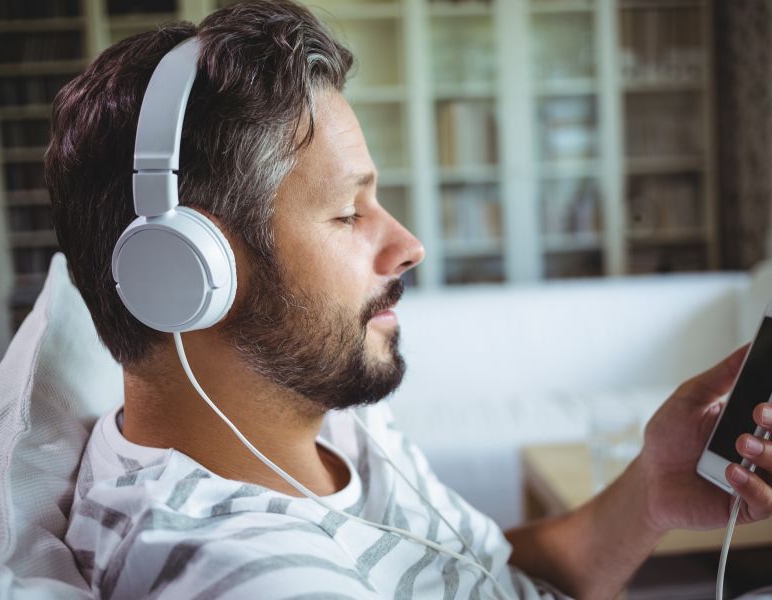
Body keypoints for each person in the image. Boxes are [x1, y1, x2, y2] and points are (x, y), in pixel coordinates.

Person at [45, 1, 772, 598]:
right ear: (187, 273)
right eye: (347, 212)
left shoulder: (324, 421)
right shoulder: (249, 577)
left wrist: (649, 492)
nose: (409, 245)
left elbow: (493, 577)